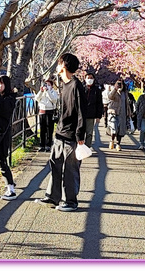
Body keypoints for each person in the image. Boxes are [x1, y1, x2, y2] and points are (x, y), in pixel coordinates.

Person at [35, 53, 86, 212]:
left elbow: (81, 113)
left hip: (72, 135)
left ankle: (70, 201)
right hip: (60, 133)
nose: (57, 66)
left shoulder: (77, 86)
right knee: (55, 164)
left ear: (64, 65)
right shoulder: (63, 85)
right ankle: (52, 197)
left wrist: (80, 136)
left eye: (59, 64)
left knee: (70, 169)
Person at [105, 79, 133, 150]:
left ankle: (118, 144)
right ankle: (112, 140)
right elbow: (110, 97)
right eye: (118, 84)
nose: (120, 85)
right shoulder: (114, 92)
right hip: (114, 113)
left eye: (121, 84)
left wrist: (129, 113)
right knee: (114, 128)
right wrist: (115, 89)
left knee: (121, 130)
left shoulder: (125, 93)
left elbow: (127, 103)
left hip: (123, 113)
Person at [82, 71, 104, 150]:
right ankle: (80, 147)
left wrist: (98, 116)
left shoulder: (96, 90)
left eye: (91, 78)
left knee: (89, 133)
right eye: (88, 78)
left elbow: (99, 104)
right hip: (81, 114)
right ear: (85, 79)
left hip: (91, 115)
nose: (90, 79)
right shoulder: (81, 88)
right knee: (80, 132)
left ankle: (87, 147)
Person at [36, 77, 59, 152]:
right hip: (42, 111)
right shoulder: (42, 92)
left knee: (49, 129)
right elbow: (36, 98)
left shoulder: (53, 92)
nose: (47, 86)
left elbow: (54, 100)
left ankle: (48, 145)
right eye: (46, 84)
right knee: (42, 129)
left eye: (48, 84)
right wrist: (41, 91)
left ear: (52, 86)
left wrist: (48, 91)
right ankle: (42, 145)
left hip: (50, 111)